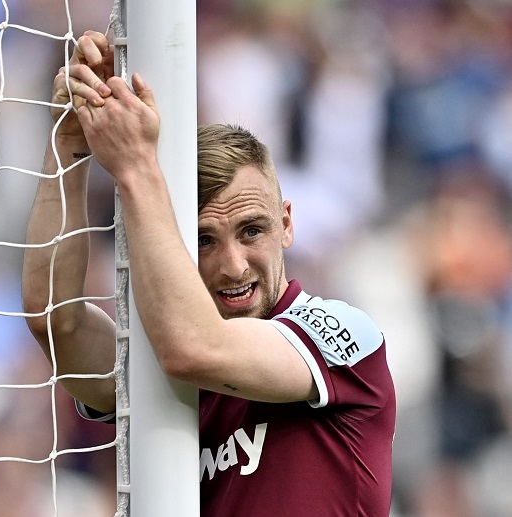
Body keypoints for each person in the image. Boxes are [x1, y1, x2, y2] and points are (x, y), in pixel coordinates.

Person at [22, 30, 396, 516]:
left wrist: (136, 167)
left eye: (252, 231)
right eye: (203, 240)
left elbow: (195, 349)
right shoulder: (162, 363)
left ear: (286, 224)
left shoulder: (343, 335)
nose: (233, 265)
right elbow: (56, 320)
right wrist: (70, 143)